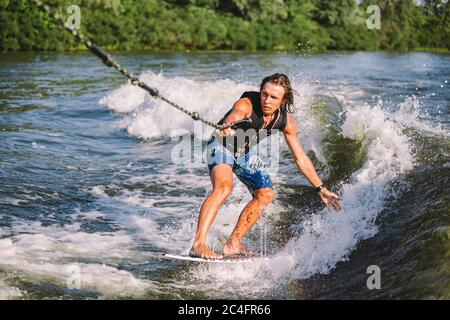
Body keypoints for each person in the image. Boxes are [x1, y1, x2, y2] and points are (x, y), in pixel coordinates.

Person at [190, 73, 341, 260]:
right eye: (264, 94)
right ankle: (198, 245)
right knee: (224, 187)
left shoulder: (286, 122)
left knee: (266, 193)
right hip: (221, 145)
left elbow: (300, 157)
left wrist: (321, 188)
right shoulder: (246, 104)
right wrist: (228, 124)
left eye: (274, 97)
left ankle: (233, 244)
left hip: (244, 153)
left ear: (283, 100)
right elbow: (236, 114)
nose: (266, 100)